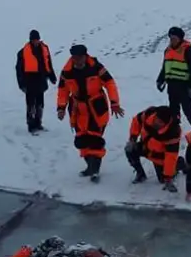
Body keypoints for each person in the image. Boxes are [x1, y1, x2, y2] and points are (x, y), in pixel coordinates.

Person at [57, 44, 125, 181]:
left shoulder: (96, 67)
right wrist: (61, 108)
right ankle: (90, 165)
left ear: (85, 56)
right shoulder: (66, 72)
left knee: (95, 139)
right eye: (75, 58)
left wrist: (114, 103)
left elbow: (110, 83)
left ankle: (95, 169)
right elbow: (63, 91)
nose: (78, 61)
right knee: (82, 140)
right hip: (77, 109)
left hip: (96, 107)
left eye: (80, 57)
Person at [125, 105, 181, 192]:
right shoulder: (148, 113)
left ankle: (179, 164)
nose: (157, 123)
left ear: (166, 123)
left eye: (160, 122)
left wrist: (168, 177)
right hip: (145, 148)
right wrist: (133, 138)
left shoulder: (173, 132)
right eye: (156, 119)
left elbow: (171, 156)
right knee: (130, 149)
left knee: (163, 180)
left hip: (159, 156)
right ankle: (140, 174)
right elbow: (136, 121)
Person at [15, 29, 57, 133]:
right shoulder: (22, 52)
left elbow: (48, 63)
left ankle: (38, 123)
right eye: (34, 40)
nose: (36, 41)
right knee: (30, 105)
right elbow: (19, 70)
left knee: (40, 104)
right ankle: (31, 125)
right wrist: (21, 84)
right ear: (30, 40)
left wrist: (52, 76)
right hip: (29, 81)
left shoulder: (44, 49)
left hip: (41, 79)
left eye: (37, 39)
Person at [156, 26, 191, 126]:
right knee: (173, 111)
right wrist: (160, 80)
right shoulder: (168, 50)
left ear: (180, 38)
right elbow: (165, 67)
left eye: (174, 38)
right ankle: (175, 129)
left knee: (188, 111)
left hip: (184, 86)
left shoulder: (188, 51)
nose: (172, 40)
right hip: (171, 86)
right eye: (170, 38)